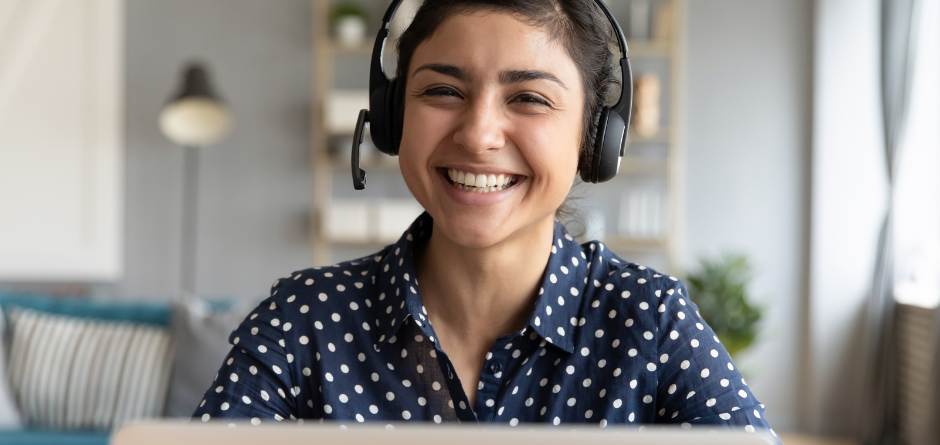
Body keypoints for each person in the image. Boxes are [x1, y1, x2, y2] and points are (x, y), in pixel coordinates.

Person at [193, 0, 776, 437]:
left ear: (594, 139)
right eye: (443, 90)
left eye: (528, 98)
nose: (477, 134)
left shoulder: (652, 324)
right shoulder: (304, 319)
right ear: (394, 120)